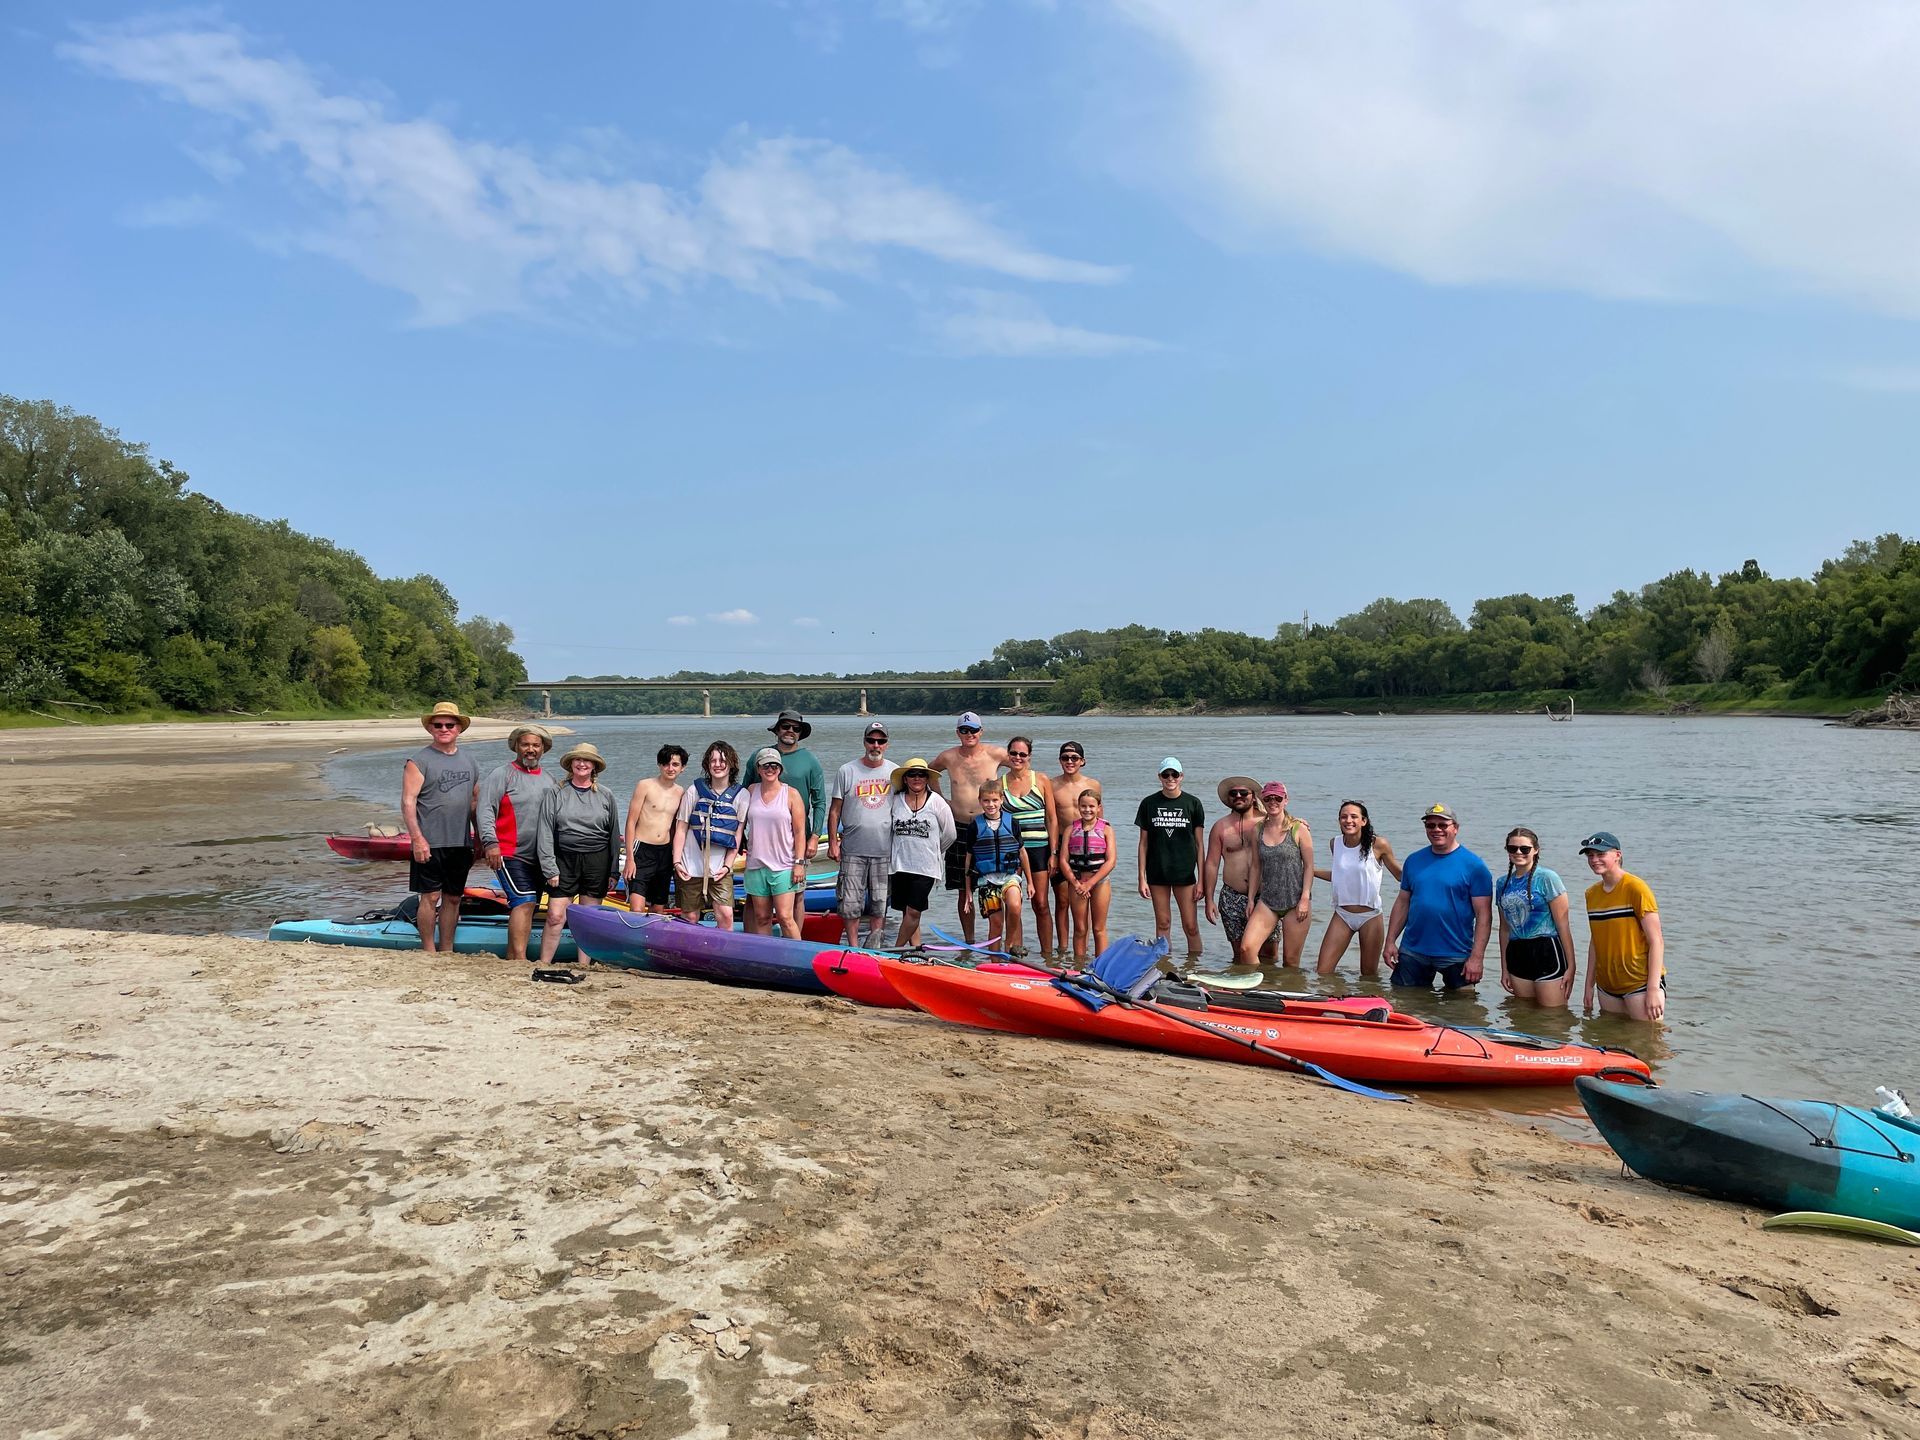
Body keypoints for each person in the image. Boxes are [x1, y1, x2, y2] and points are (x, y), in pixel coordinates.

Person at [1383, 803, 1493, 990]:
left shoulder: (1475, 866)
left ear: (1455, 828)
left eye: (1443, 825)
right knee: (1404, 1003)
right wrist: (1390, 941)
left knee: (1463, 1010)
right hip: (1413, 950)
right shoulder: (1414, 860)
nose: (1436, 830)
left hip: (1457, 952)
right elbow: (1403, 902)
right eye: (1431, 825)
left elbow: (1484, 916)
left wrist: (1477, 958)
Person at [400, 701, 481, 954]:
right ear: (430, 728)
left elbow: (475, 802)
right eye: (438, 725)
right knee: (431, 897)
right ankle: (428, 950)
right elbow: (408, 801)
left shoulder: (470, 761)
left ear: (459, 728)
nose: (444, 728)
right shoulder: (419, 761)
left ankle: (446, 949)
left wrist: (480, 838)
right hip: (430, 841)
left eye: (449, 724)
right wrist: (417, 838)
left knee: (453, 898)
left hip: (460, 842)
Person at [535, 742, 622, 966]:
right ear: (571, 764)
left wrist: (614, 871)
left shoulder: (606, 795)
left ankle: (584, 965)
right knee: (555, 916)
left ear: (594, 766)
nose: (582, 764)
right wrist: (549, 867)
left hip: (596, 861)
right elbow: (545, 831)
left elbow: (614, 835)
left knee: (588, 920)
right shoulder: (556, 793)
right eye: (578, 760)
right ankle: (543, 963)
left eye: (587, 760)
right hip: (564, 859)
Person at [476, 723, 555, 963]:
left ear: (543, 749)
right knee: (524, 901)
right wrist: (490, 843)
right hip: (508, 851)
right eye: (525, 744)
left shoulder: (550, 779)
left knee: (529, 905)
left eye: (535, 745)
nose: (530, 749)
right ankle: (519, 960)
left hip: (539, 856)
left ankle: (512, 957)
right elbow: (485, 809)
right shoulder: (502, 774)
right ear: (516, 747)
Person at [930, 712, 1011, 944]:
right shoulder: (948, 756)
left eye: (973, 730)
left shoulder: (995, 754)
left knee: (993, 884)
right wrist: (942, 799)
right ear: (958, 733)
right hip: (959, 826)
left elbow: (1019, 765)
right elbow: (929, 772)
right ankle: (970, 940)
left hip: (989, 826)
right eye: (964, 730)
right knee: (963, 889)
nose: (969, 735)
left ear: (981, 732)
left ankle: (994, 939)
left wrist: (1008, 797)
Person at [1579, 830, 1666, 1021]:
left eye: (1601, 854)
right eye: (1590, 855)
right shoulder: (1591, 894)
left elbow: (1656, 941)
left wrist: (1653, 988)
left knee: (1649, 1043)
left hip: (1639, 983)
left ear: (1617, 855)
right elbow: (1596, 941)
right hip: (1607, 986)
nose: (1594, 860)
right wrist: (1588, 985)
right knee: (1611, 1039)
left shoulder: (1636, 887)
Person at [1313, 800, 1402, 977]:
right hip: (1342, 915)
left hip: (1370, 916)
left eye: (1354, 816)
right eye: (1343, 817)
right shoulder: (1335, 843)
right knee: (1323, 972)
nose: (1348, 820)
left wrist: (1426, 875)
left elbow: (1400, 876)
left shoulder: (1379, 845)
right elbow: (1342, 877)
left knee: (1368, 976)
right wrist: (1311, 871)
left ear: (1364, 821)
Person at [1494, 827, 1579, 1007]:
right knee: (1523, 1015)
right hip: (1516, 952)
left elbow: (1563, 925)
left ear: (1535, 850)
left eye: (1524, 849)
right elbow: (1504, 929)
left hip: (1547, 950)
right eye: (1512, 848)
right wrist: (1504, 968)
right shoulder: (1502, 883)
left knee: (1552, 1017)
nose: (1518, 852)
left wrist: (1572, 967)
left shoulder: (1547, 878)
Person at [828, 722, 895, 947]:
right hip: (852, 850)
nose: (875, 745)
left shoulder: (895, 773)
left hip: (884, 850)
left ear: (886, 744)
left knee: (879, 902)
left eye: (881, 741)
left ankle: (876, 944)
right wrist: (833, 843)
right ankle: (853, 946)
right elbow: (835, 810)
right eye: (871, 740)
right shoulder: (847, 770)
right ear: (864, 741)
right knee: (850, 903)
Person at [1135, 757, 1206, 962]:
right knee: (1163, 923)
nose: (1170, 778)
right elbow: (1143, 843)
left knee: (1191, 925)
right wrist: (1142, 877)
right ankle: (1164, 968)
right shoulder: (1149, 803)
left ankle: (1195, 968)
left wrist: (1201, 880)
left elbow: (1200, 844)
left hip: (1185, 874)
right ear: (1160, 777)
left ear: (1181, 776)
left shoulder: (1193, 803)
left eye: (1174, 774)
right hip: (1157, 873)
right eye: (1166, 774)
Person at [1238, 782, 1314, 967]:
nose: (1273, 802)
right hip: (1268, 901)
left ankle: (1291, 993)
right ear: (1262, 801)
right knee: (1246, 949)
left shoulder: (1298, 829)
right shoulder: (1258, 829)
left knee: (1290, 961)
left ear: (1285, 800)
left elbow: (1309, 866)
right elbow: (1256, 866)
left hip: (1295, 901)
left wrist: (1304, 898)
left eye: (1278, 798)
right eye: (1268, 798)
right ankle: (1258, 987)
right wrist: (1250, 899)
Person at [674, 742, 746, 932]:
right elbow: (681, 827)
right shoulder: (694, 791)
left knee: (726, 914)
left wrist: (728, 865)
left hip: (719, 868)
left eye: (722, 760)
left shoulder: (742, 795)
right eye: (713, 760)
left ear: (731, 764)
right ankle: (690, 956)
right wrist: (677, 862)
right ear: (707, 765)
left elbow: (737, 834)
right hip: (690, 865)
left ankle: (723, 956)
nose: (718, 764)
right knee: (689, 917)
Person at [1203, 775, 1274, 964]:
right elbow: (1211, 863)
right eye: (1234, 793)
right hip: (1231, 896)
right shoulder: (1221, 827)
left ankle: (1269, 988)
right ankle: (1241, 989)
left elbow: (1291, 828)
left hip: (1265, 897)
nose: (1239, 796)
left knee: (1270, 954)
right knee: (1239, 955)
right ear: (1228, 799)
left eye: (1244, 793)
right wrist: (1208, 899)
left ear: (1253, 796)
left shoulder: (1269, 821)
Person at [886, 758, 955, 948]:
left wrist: (934, 849)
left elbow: (950, 833)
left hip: (926, 867)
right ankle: (917, 949)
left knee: (914, 912)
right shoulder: (896, 800)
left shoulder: (937, 802)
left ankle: (896, 949)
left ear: (927, 778)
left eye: (921, 774)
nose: (917, 778)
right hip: (900, 865)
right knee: (905, 911)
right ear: (905, 779)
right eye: (912, 774)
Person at [740, 747, 807, 939]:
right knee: (762, 917)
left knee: (786, 917)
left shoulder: (791, 794)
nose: (770, 769)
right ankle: (766, 959)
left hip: (784, 866)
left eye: (774, 765)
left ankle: (797, 957)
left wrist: (799, 863)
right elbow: (738, 824)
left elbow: (800, 832)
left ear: (780, 769)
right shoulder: (750, 791)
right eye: (765, 765)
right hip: (756, 865)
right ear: (758, 769)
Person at [1000, 738, 1056, 957]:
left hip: (1039, 849)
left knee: (1041, 903)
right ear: (1008, 755)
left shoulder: (1041, 780)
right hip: (1012, 851)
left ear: (1029, 757)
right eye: (1013, 753)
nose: (1017, 758)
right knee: (1015, 904)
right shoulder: (1000, 783)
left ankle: (1048, 956)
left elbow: (1051, 818)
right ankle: (1016, 953)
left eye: (1022, 754)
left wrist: (1053, 852)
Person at [965, 779, 1034, 955]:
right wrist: (967, 892)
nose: (991, 805)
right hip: (987, 880)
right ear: (980, 801)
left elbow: (1023, 853)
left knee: (1015, 906)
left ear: (1002, 800)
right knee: (995, 924)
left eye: (995, 800)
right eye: (986, 801)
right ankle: (994, 963)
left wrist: (1030, 882)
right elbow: (969, 859)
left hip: (1009, 876)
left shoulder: (1012, 823)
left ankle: (1009, 943)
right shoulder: (975, 825)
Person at [1047, 741, 1101, 956]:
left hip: (1087, 845)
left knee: (1084, 896)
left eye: (1074, 758)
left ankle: (1083, 949)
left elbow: (1100, 818)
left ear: (1082, 761)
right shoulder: (1051, 785)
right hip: (1061, 843)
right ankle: (1062, 949)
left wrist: (1103, 852)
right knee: (1062, 900)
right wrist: (1053, 852)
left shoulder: (1093, 785)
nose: (1069, 762)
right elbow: (1049, 819)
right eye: (1065, 758)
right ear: (1059, 760)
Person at [623, 744, 688, 913]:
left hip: (664, 853)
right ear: (659, 765)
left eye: (675, 764)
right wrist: (630, 858)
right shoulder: (645, 785)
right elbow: (630, 822)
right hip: (642, 849)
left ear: (682, 768)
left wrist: (677, 856)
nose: (670, 768)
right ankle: (633, 938)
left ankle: (650, 939)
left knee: (658, 907)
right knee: (637, 908)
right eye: (666, 763)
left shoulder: (681, 792)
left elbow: (676, 827)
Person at [1062, 789, 1117, 960]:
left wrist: (1090, 883)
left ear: (1099, 807)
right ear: (1078, 807)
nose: (1087, 810)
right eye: (1083, 806)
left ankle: (1101, 968)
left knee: (1099, 928)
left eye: (1091, 806)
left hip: (1099, 882)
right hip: (1077, 882)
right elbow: (1063, 860)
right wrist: (1076, 883)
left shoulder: (1106, 830)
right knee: (1080, 928)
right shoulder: (1071, 829)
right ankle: (1079, 967)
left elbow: (1111, 861)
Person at [766, 710, 826, 859]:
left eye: (796, 729)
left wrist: (815, 836)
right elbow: (746, 796)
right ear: (777, 730)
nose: (790, 731)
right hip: (764, 837)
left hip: (798, 837)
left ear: (800, 733)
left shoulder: (810, 761)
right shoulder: (761, 757)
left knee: (796, 880)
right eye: (786, 726)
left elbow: (819, 802)